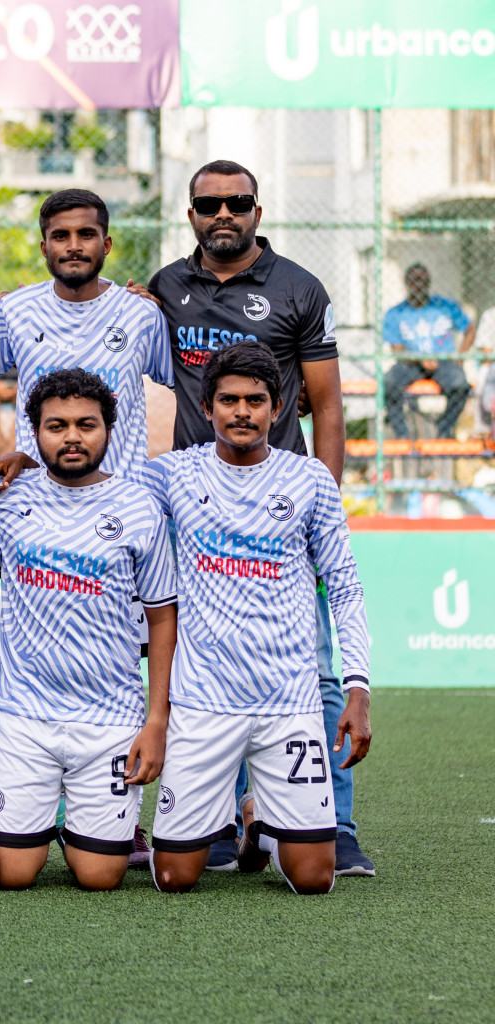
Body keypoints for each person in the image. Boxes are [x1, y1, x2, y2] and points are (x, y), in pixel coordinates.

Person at [135, 159, 373, 877]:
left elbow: (328, 405)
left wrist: (320, 501)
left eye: (237, 202)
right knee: (195, 660)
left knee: (313, 670)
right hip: (191, 505)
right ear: (192, 215)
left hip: (282, 504)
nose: (224, 214)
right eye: (210, 204)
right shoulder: (165, 290)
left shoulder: (300, 288)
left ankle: (337, 824)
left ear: (257, 212)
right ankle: (213, 821)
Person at [143, 343, 371, 895]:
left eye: (255, 400)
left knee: (315, 879)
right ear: (206, 407)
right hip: (203, 705)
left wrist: (359, 686)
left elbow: (344, 586)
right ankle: (243, 811)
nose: (241, 411)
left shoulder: (311, 480)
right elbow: (92, 490)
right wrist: (27, 464)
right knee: (175, 877)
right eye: (229, 400)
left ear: (280, 407)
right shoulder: (170, 474)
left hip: (288, 704)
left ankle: (261, 821)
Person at [0, 369, 176, 891]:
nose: (72, 437)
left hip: (109, 720)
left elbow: (162, 616)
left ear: (109, 429)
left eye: (87, 424)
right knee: (13, 875)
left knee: (100, 877)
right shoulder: (3, 495)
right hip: (24, 718)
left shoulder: (139, 506)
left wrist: (156, 720)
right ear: (34, 432)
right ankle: (46, 825)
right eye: (56, 425)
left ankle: (87, 830)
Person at [0, 189, 173, 485]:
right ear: (44, 247)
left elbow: (188, 386)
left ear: (106, 245)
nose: (74, 246)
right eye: (61, 236)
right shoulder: (14, 310)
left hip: (123, 498)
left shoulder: (141, 313)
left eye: (86, 234)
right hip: (38, 496)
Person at [381, 264, 474, 439]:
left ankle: (444, 430)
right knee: (389, 382)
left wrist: (461, 356)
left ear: (429, 283)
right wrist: (420, 359)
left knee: (460, 385)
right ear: (406, 283)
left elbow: (470, 329)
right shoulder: (395, 313)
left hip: (443, 361)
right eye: (415, 280)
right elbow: (397, 349)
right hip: (410, 363)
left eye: (423, 280)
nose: (419, 284)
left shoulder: (445, 306)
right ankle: (402, 435)